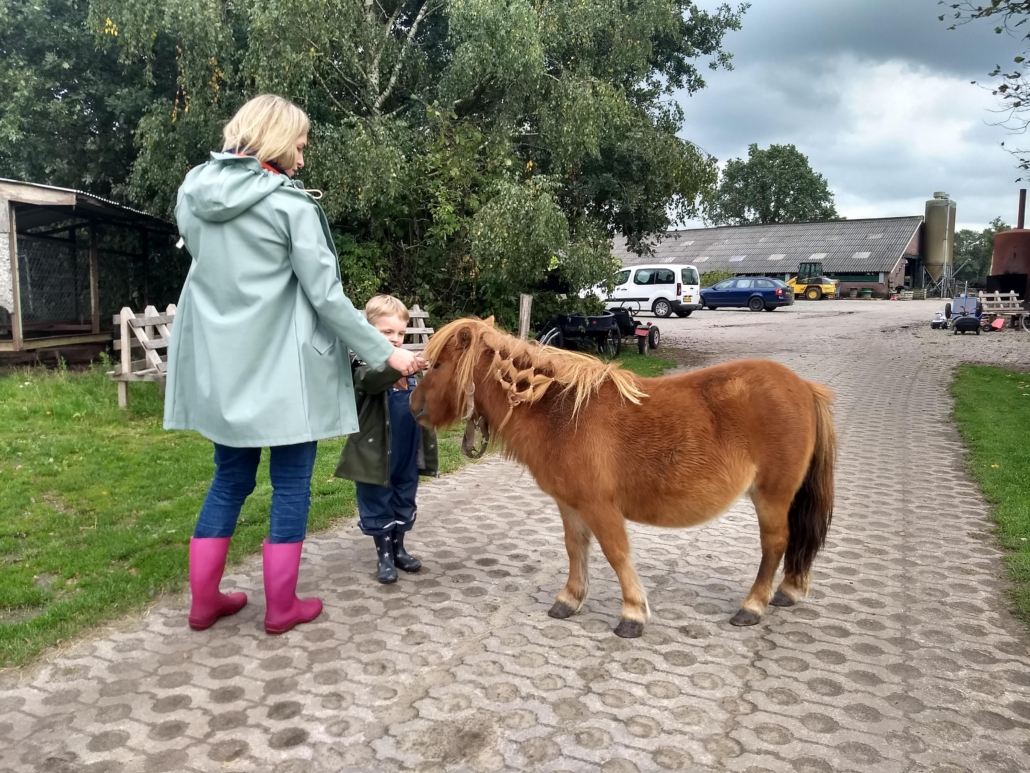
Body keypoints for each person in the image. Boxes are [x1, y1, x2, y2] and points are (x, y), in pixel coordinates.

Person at [164, 94, 420, 635]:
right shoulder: (290, 206)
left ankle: (203, 603)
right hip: (286, 373)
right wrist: (387, 351)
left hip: (222, 368)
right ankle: (281, 608)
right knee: (291, 486)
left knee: (228, 480)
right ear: (277, 140)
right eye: (299, 147)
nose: (302, 161)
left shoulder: (192, 191)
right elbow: (327, 299)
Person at [334, 295, 438, 583]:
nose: (395, 339)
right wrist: (404, 365)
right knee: (377, 500)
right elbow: (375, 378)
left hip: (406, 450)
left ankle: (399, 548)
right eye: (386, 332)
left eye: (400, 333)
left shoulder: (409, 372)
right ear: (368, 331)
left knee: (405, 496)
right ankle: (384, 556)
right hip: (376, 454)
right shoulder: (362, 365)